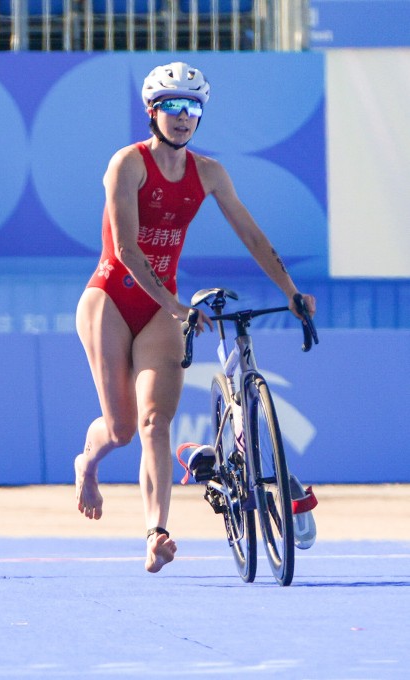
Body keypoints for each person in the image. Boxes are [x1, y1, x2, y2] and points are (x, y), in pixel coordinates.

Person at [73, 62, 318, 573]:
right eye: (173, 107)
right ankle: (87, 464)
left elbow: (251, 236)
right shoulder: (128, 163)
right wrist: (178, 306)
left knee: (154, 421)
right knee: (119, 430)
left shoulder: (210, 173)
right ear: (152, 111)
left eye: (193, 108)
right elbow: (125, 248)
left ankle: (156, 530)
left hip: (164, 305)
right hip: (111, 298)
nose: (184, 117)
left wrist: (292, 292)